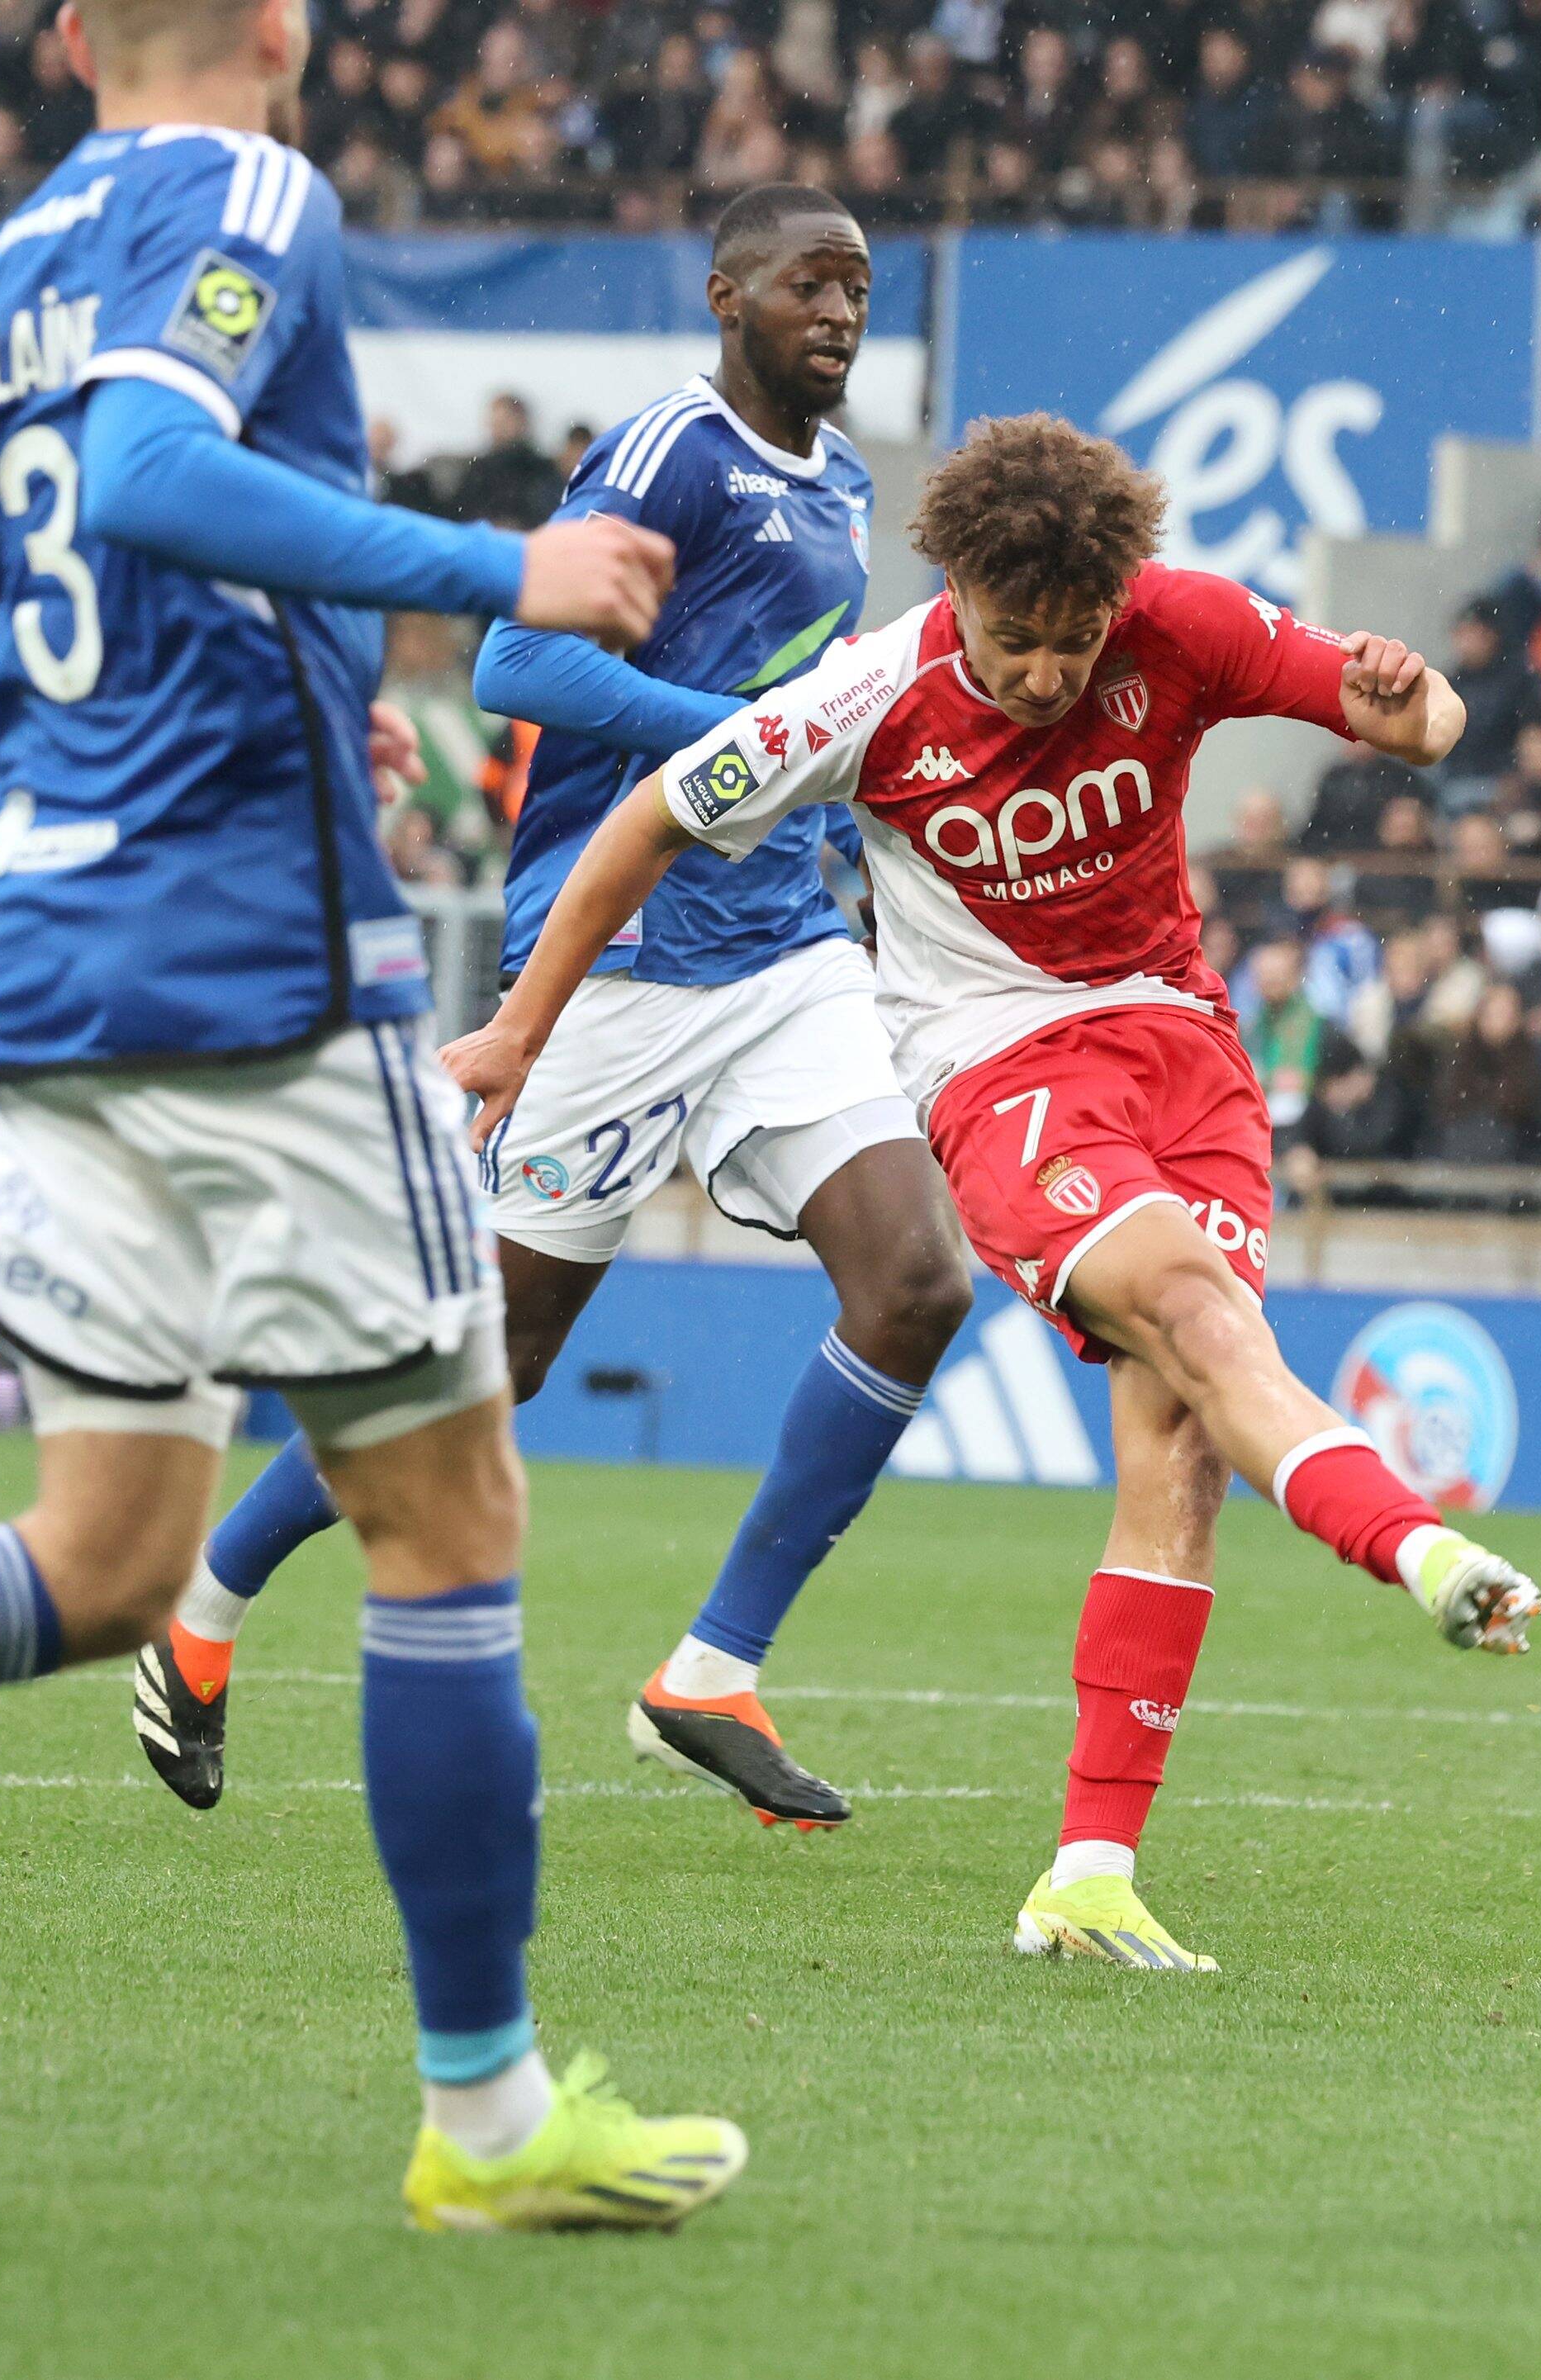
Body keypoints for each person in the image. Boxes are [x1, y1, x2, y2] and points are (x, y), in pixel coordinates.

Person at [0, 0, 742, 2228]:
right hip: (258, 975)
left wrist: (189, 696)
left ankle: (489, 2119)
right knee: (450, 1520)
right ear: (278, 27)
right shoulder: (255, 189)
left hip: (50, 968)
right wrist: (493, 574)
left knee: (97, 1566)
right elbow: (162, 471)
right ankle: (485, 2126)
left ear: (75, 39)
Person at [444, 413, 1541, 1975]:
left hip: (1185, 1050)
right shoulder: (867, 696)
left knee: (1180, 1442)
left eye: (1073, 642)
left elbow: (1419, 721)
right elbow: (647, 819)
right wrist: (519, 1027)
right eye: (1013, 640)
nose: (1045, 674)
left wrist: (1408, 702)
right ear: (953, 584)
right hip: (1002, 1069)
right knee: (1191, 1318)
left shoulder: (1183, 622)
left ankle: (1089, 1878)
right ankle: (1418, 1549)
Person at [145, 185, 973, 1834]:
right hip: (612, 954)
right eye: (811, 282)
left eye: (862, 287)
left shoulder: (851, 485)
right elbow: (518, 671)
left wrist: (835, 793)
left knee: (916, 1279)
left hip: (775, 950)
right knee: (483, 1370)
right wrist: (720, 740)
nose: (842, 310)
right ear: (728, 293)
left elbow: (811, 714)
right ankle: (200, 1608)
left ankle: (709, 1672)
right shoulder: (667, 449)